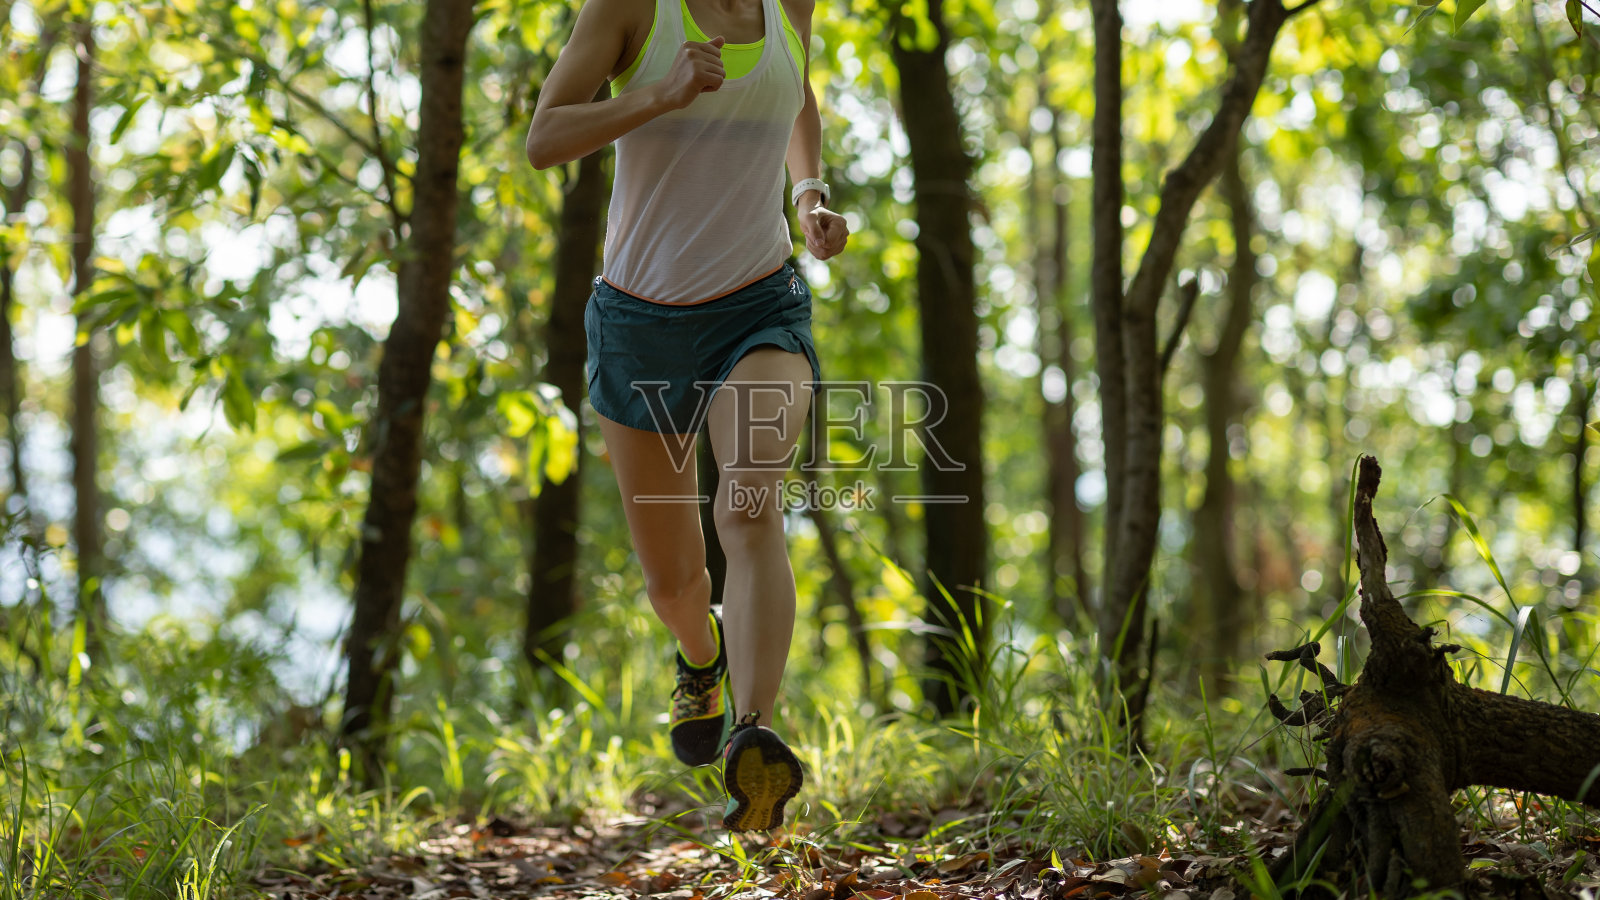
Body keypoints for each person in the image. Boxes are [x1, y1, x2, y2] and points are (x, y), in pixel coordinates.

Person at [524, 0, 849, 833]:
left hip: (760, 306)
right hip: (639, 326)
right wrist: (658, 95)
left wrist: (807, 189)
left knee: (748, 504)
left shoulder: (788, 7)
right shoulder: (631, 9)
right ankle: (699, 657)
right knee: (673, 584)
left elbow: (796, 91)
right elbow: (546, 137)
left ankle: (754, 734)